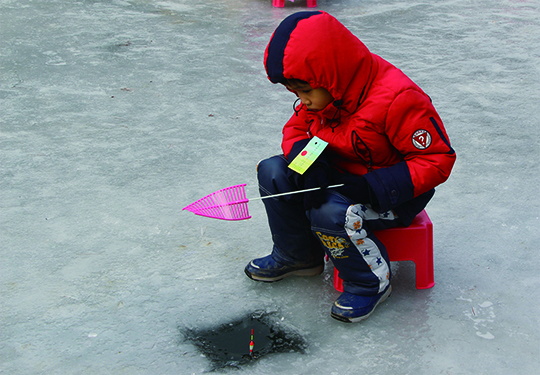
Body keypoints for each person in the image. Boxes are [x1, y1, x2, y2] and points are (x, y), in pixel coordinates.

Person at [244, 11, 456, 323]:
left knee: (330, 211)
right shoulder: (324, 96)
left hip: (392, 195)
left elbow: (437, 159)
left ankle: (370, 282)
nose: (302, 101)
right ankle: (299, 255)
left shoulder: (397, 99)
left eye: (305, 91)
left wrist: (374, 187)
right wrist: (306, 160)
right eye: (295, 93)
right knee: (273, 172)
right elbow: (296, 131)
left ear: (332, 75)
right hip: (337, 177)